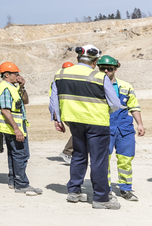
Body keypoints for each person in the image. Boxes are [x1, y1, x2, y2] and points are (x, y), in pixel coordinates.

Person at [50, 45, 124, 209]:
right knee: (99, 160)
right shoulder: (99, 77)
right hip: (97, 123)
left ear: (78, 59)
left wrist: (57, 119)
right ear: (95, 61)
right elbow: (115, 103)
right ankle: (101, 199)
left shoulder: (60, 74)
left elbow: (54, 100)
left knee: (78, 155)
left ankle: (74, 192)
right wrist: (108, 110)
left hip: (74, 122)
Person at [96, 55, 145, 201]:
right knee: (104, 160)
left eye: (109, 68)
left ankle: (126, 189)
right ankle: (106, 189)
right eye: (102, 68)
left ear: (115, 69)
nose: (106, 71)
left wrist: (140, 124)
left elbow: (134, 106)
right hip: (104, 127)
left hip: (125, 128)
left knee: (126, 159)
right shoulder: (95, 86)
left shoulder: (126, 86)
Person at [0, 62, 42, 195]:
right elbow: (5, 110)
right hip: (13, 128)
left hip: (13, 127)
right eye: (16, 74)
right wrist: (16, 129)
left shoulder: (13, 87)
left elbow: (25, 101)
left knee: (13, 154)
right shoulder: (5, 88)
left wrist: (22, 86)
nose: (18, 76)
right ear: (6, 75)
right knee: (21, 155)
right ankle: (22, 185)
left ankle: (13, 181)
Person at [58, 61, 76, 162]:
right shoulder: (60, 83)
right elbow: (54, 101)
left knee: (79, 132)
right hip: (68, 112)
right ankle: (67, 152)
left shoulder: (68, 82)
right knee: (78, 132)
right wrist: (56, 117)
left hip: (70, 111)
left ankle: (72, 153)